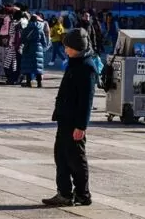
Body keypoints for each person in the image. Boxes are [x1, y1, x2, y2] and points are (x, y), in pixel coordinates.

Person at [43, 28, 103, 207]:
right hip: (65, 117)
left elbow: (86, 101)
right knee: (61, 156)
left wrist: (81, 126)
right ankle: (64, 193)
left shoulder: (86, 67)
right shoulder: (74, 62)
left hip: (74, 121)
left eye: (68, 47)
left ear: (77, 48)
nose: (65, 49)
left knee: (76, 158)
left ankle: (83, 194)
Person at [21, 14, 47, 88]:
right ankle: (39, 83)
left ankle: (28, 82)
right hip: (38, 48)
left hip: (28, 48)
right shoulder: (40, 29)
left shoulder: (26, 29)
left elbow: (22, 39)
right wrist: (43, 47)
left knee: (28, 65)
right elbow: (44, 41)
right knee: (37, 66)